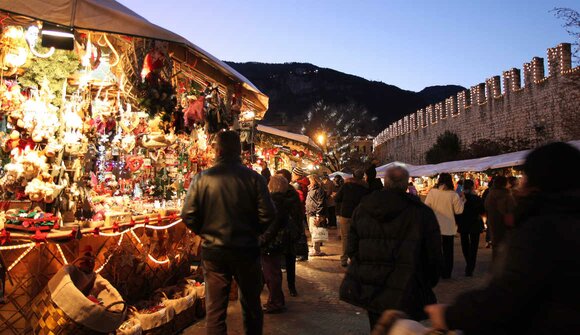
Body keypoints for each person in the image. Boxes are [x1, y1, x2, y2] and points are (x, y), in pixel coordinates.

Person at [425, 142, 580, 333]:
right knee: (451, 250)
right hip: (451, 226)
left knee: (445, 250)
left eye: (526, 177)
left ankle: (446, 271)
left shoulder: (538, 229)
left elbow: (506, 296)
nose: (520, 182)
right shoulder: (559, 220)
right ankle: (457, 269)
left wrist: (450, 315)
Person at [181, 131, 276, 335]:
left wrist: (205, 232)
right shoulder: (254, 179)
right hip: (246, 250)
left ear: (218, 150)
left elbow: (188, 214)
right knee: (251, 306)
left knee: (215, 311)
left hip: (214, 252)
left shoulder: (202, 179)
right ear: (239, 151)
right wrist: (254, 232)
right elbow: (268, 213)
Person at [340, 166, 443, 330]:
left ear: (385, 182)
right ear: (406, 184)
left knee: (379, 328)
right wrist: (427, 280)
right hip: (409, 286)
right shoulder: (421, 213)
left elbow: (352, 247)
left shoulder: (364, 208)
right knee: (407, 330)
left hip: (373, 286)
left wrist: (364, 267)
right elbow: (434, 254)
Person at [260, 175, 291, 314]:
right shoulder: (282, 201)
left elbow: (272, 226)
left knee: (271, 273)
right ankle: (277, 300)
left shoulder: (275, 202)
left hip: (271, 244)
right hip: (276, 242)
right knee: (273, 272)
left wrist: (262, 240)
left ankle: (275, 302)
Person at [425, 173, 464, 279]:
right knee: (448, 251)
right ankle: (447, 272)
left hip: (435, 226)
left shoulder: (433, 193)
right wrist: (463, 201)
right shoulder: (453, 195)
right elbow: (459, 210)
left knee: (436, 250)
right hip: (448, 227)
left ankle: (436, 271)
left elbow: (426, 207)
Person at [275, 169, 304, 297]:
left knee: (290, 261)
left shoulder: (292, 194)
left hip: (289, 232)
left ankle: (291, 286)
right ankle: (276, 289)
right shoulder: (274, 194)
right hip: (278, 232)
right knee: (275, 262)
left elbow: (298, 214)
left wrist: (297, 231)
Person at [334, 169, 369, 267]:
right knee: (357, 237)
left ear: (353, 175)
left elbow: (337, 198)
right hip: (359, 215)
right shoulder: (365, 188)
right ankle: (355, 259)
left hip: (345, 214)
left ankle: (344, 259)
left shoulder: (346, 186)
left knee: (345, 238)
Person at [455, 179, 485, 277]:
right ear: (473, 187)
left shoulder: (460, 198)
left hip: (463, 224)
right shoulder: (477, 198)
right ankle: (470, 267)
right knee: (474, 246)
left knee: (465, 245)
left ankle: (469, 263)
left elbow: (457, 212)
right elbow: (482, 211)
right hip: (474, 224)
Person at [484, 175, 515, 261]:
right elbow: (511, 210)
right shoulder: (507, 195)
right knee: (506, 244)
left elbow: (486, 206)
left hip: (493, 221)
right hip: (505, 223)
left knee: (496, 244)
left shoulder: (490, 194)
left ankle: (496, 262)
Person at [305, 174, 327, 256]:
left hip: (315, 213)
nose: (310, 181)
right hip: (310, 212)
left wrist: (318, 214)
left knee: (315, 231)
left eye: (311, 180)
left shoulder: (319, 190)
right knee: (312, 231)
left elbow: (320, 202)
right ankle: (315, 248)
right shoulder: (311, 189)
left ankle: (317, 250)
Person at [291, 167, 310, 261]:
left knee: (300, 233)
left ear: (297, 175)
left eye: (293, 174)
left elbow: (300, 199)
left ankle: (302, 254)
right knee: (301, 232)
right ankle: (303, 253)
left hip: (298, 211)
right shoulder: (304, 184)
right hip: (302, 210)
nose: (292, 176)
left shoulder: (297, 185)